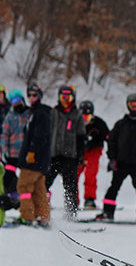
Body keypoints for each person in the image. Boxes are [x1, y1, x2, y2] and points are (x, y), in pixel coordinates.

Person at [96, 94, 136, 222]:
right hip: (120, 164)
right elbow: (111, 141)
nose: (134, 107)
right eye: (131, 104)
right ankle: (107, 212)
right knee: (113, 188)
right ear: (128, 106)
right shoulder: (120, 124)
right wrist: (112, 159)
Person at [45, 85, 86, 218]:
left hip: (70, 156)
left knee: (70, 186)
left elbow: (81, 136)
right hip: (54, 154)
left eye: (68, 97)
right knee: (45, 182)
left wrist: (80, 155)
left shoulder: (77, 114)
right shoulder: (53, 113)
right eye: (63, 97)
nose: (66, 100)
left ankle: (71, 212)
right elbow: (47, 133)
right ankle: (39, 208)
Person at [16, 83, 52, 227]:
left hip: (34, 159)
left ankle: (27, 216)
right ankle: (43, 217)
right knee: (39, 190)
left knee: (23, 186)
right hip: (40, 160)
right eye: (29, 95)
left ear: (40, 96)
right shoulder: (35, 112)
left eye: (34, 95)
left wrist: (32, 151)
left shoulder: (40, 113)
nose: (31, 97)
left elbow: (39, 136)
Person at [76, 100, 109, 209]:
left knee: (90, 173)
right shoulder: (75, 123)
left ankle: (89, 199)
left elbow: (108, 137)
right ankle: (73, 199)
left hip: (94, 150)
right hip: (78, 151)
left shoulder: (99, 123)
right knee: (74, 173)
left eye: (88, 117)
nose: (85, 119)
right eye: (83, 117)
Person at [0, 89, 31, 200]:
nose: (16, 103)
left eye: (17, 100)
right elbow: (4, 134)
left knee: (28, 176)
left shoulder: (29, 113)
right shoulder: (10, 116)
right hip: (12, 154)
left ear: (22, 100)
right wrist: (4, 150)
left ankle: (30, 198)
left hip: (26, 153)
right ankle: (8, 195)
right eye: (13, 101)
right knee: (8, 175)